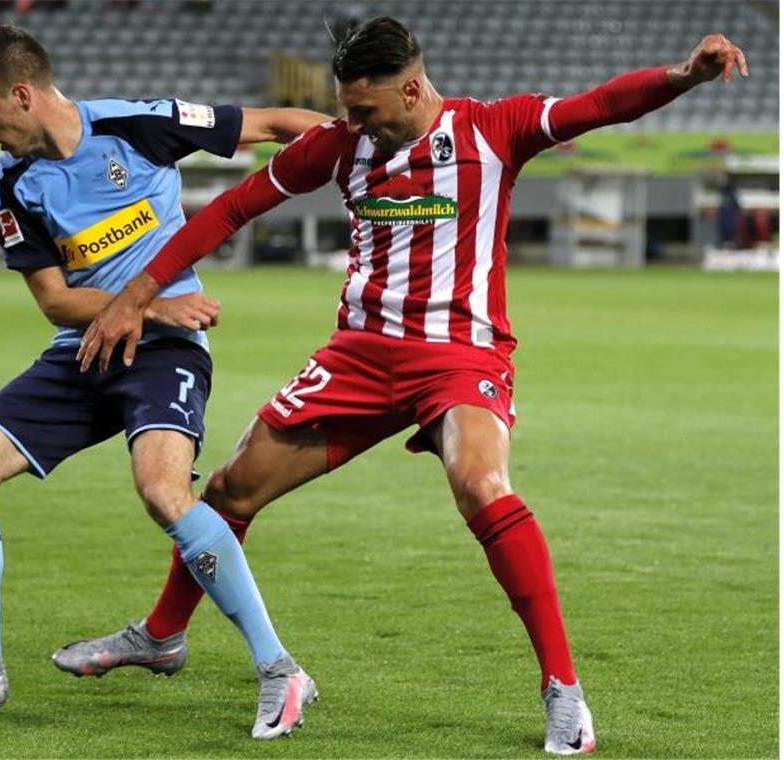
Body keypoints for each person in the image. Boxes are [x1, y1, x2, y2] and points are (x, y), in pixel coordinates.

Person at [74, 18, 749, 756]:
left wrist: (683, 76)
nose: (352, 122)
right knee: (231, 491)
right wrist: (137, 293)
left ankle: (564, 693)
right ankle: (162, 635)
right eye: (347, 109)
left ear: (411, 86)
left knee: (483, 486)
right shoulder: (340, 145)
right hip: (358, 358)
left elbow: (602, 104)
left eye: (365, 109)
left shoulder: (496, 129)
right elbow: (235, 209)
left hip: (460, 353)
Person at [0, 22, 331, 740]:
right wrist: (150, 302)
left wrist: (366, 151)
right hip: (85, 348)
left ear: (21, 94)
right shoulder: (12, 181)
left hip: (167, 351)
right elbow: (57, 299)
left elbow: (276, 123)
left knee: (162, 490)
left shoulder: (137, 124)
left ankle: (280, 668)